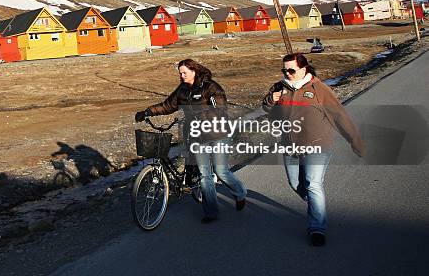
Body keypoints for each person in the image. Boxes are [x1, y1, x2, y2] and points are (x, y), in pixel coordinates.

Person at [262, 52, 365, 246]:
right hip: (290, 145)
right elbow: (267, 109)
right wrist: (270, 100)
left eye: (291, 70)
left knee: (313, 184)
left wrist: (355, 140)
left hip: (317, 144)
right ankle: (317, 207)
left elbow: (339, 116)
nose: (287, 73)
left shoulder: (319, 89)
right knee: (296, 184)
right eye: (284, 70)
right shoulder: (279, 87)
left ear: (304, 69)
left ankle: (317, 228)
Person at [135, 59, 246, 223]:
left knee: (221, 171)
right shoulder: (182, 90)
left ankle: (240, 192)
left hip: (218, 134)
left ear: (194, 71)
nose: (181, 75)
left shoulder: (210, 87)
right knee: (204, 175)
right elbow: (168, 105)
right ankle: (211, 212)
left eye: (184, 72)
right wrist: (148, 111)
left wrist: (200, 118)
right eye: (180, 73)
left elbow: (221, 110)